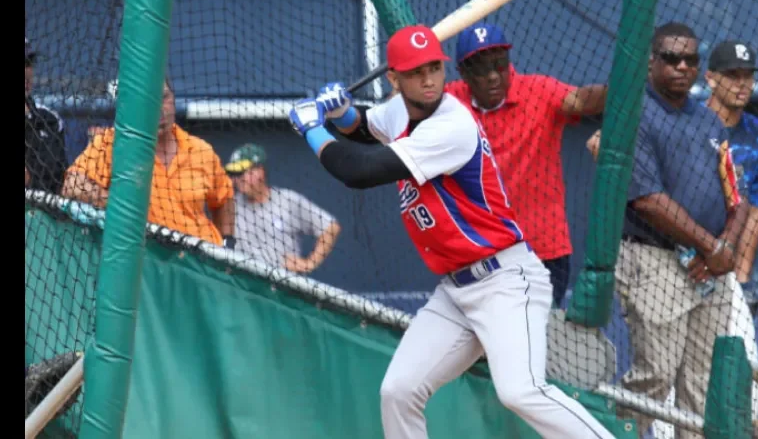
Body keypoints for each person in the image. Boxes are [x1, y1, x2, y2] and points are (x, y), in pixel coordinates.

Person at [286, 25, 614, 439]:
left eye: (433, 69)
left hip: (506, 280)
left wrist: (313, 129)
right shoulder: (403, 112)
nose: (428, 80)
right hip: (457, 290)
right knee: (398, 391)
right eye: (416, 72)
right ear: (394, 79)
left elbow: (360, 170)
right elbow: (370, 126)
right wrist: (342, 114)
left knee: (521, 391)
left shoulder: (452, 124)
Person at [589, 22, 749, 439]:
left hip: (709, 270)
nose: (682, 66)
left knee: (700, 384)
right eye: (671, 58)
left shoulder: (708, 120)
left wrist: (725, 249)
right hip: (654, 260)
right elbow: (647, 200)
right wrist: (711, 247)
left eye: (690, 59)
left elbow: (738, 194)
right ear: (650, 62)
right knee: (653, 377)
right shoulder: (634, 113)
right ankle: (608, 434)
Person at [444, 22, 608, 308]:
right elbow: (403, 111)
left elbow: (580, 101)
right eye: (482, 69)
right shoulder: (450, 101)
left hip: (543, 251)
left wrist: (624, 81)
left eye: (500, 64)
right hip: (480, 254)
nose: (494, 76)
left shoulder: (538, 91)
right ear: (464, 74)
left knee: (535, 340)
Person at [62, 79, 236, 248]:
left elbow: (224, 198)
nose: (159, 109)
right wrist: (120, 204)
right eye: (147, 101)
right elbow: (72, 186)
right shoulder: (111, 142)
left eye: (164, 97)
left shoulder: (201, 150)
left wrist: (227, 243)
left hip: (199, 262)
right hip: (145, 258)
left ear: (173, 98)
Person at [704, 40, 758, 312]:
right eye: (732, 75)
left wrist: (743, 279)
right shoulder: (687, 122)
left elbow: (756, 208)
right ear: (711, 79)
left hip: (727, 265)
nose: (742, 84)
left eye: (748, 76)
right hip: (678, 259)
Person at [224, 143, 341, 273]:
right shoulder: (229, 206)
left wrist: (309, 263)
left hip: (282, 286)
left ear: (260, 171)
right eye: (234, 174)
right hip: (245, 284)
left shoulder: (286, 200)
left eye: (242, 173)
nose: (238, 179)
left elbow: (331, 227)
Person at [25, 36, 67, 194]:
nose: (25, 71)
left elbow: (56, 181)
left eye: (27, 63)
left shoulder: (50, 120)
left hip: (39, 212)